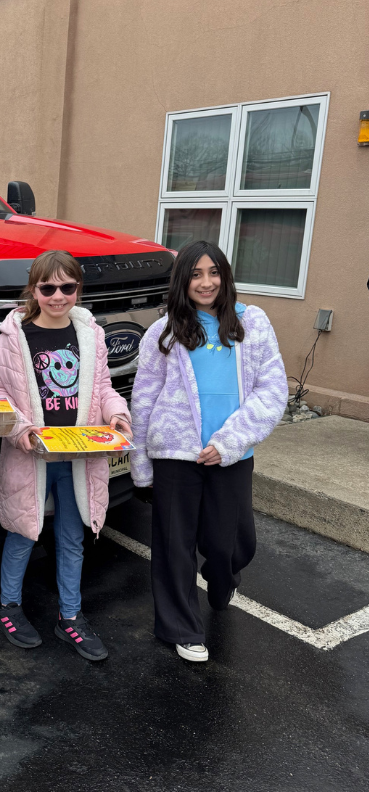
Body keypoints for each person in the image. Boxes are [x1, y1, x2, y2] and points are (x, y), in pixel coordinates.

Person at [130, 240, 287, 663]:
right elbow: (143, 400)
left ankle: (222, 579)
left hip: (231, 454)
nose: (206, 282)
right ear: (182, 280)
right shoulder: (161, 333)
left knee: (232, 543)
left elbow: (272, 390)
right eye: (196, 274)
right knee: (173, 546)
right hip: (175, 456)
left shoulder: (252, 323)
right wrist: (141, 464)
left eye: (213, 272)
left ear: (225, 276)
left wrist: (229, 442)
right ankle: (181, 627)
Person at [0, 249, 132, 662]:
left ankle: (70, 616)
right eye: (48, 287)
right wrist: (20, 431)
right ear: (34, 289)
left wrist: (117, 415)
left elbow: (101, 388)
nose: (58, 296)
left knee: (72, 537)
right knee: (23, 532)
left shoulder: (91, 336)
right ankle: (7, 607)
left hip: (79, 454)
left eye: (67, 287)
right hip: (30, 454)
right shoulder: (8, 342)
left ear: (77, 290)